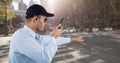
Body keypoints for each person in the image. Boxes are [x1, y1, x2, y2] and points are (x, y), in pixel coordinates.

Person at [8, 4, 84, 63]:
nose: (46, 23)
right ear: (35, 19)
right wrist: (54, 36)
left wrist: (73, 39)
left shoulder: (33, 36)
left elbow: (51, 40)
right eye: (45, 19)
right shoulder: (21, 36)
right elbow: (45, 58)